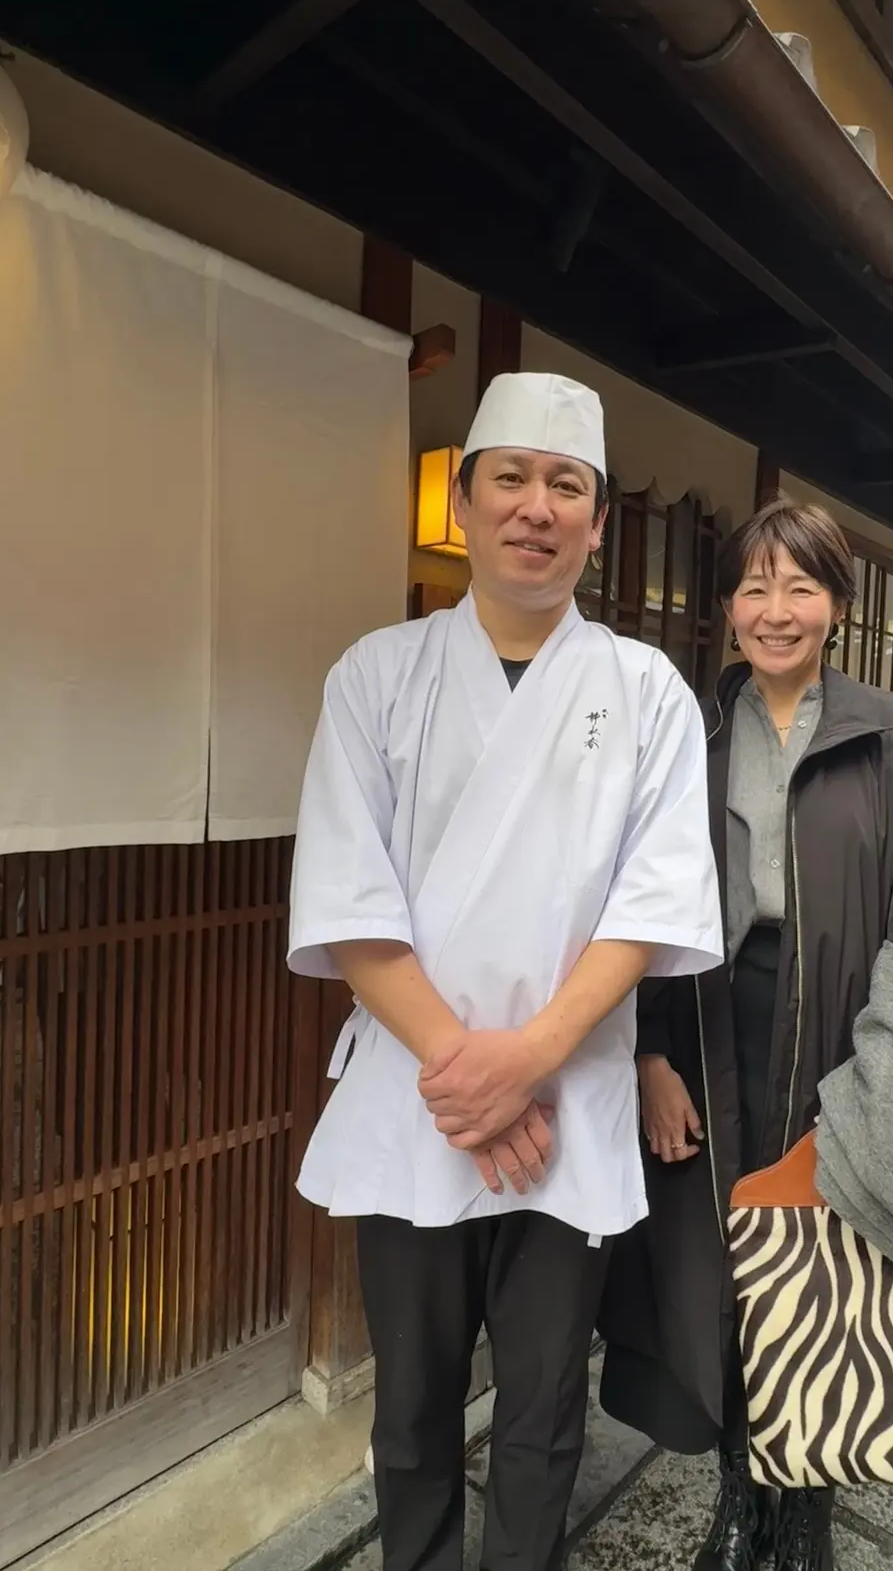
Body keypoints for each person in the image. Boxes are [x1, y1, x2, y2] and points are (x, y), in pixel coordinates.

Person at [286, 371, 722, 1571]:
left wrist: (526, 1061)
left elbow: (654, 902)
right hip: (418, 1103)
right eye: (512, 479)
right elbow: (347, 896)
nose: (538, 507)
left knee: (539, 1416)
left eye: (566, 485)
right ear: (464, 502)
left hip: (566, 1105)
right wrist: (467, 1074)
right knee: (412, 1410)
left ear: (595, 520)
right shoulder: (375, 676)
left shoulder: (647, 694)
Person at [597, 499, 893, 1571]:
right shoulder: (686, 733)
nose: (775, 611)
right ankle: (741, 1491)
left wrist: (882, 1074)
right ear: (726, 604)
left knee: (826, 1271)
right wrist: (646, 1055)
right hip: (708, 1024)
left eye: (801, 586)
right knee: (729, 1263)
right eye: (754, 586)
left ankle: (805, 1500)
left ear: (836, 604)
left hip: (845, 1025)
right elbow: (621, 905)